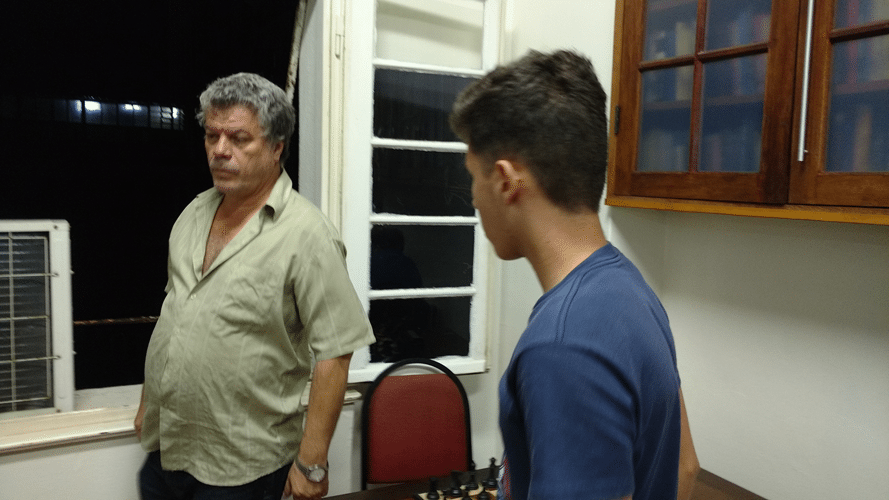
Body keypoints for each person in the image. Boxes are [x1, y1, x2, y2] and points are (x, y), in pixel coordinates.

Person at [449, 50, 700, 499]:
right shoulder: (631, 289)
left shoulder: (561, 344)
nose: (472, 197)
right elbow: (684, 468)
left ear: (505, 181)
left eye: (472, 177)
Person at [134, 72, 375, 500]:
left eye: (239, 138)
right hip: (168, 449)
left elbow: (336, 351)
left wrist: (312, 462)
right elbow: (174, 317)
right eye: (212, 135)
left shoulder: (307, 234)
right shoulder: (193, 214)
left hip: (244, 467)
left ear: (277, 146)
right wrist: (147, 402)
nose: (219, 150)